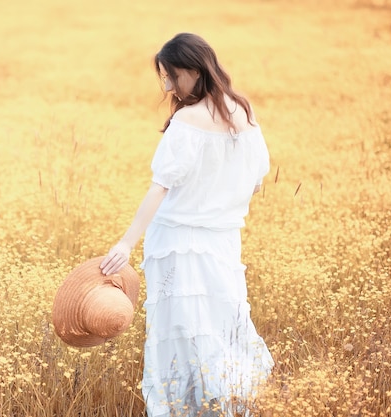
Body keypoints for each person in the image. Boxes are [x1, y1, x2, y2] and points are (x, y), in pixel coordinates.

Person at [100, 33, 274, 417]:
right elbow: (258, 177)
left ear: (194, 71)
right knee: (222, 326)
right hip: (223, 244)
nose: (168, 86)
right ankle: (227, 405)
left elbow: (161, 186)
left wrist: (126, 244)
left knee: (181, 331)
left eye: (172, 76)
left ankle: (183, 410)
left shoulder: (187, 119)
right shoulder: (243, 111)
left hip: (176, 242)